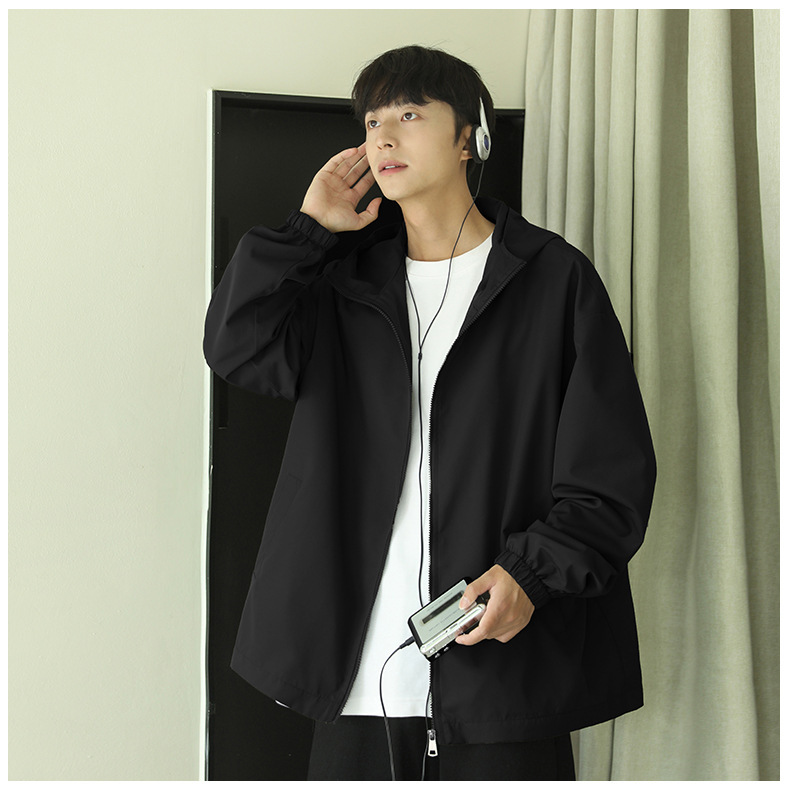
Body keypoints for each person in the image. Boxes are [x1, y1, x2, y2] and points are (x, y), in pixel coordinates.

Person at [203, 45, 656, 781]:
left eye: (409, 114)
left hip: (500, 676)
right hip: (357, 677)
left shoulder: (553, 283)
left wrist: (531, 576)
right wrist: (310, 229)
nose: (382, 136)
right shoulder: (344, 288)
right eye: (372, 121)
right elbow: (235, 346)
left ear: (468, 137)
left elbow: (610, 476)